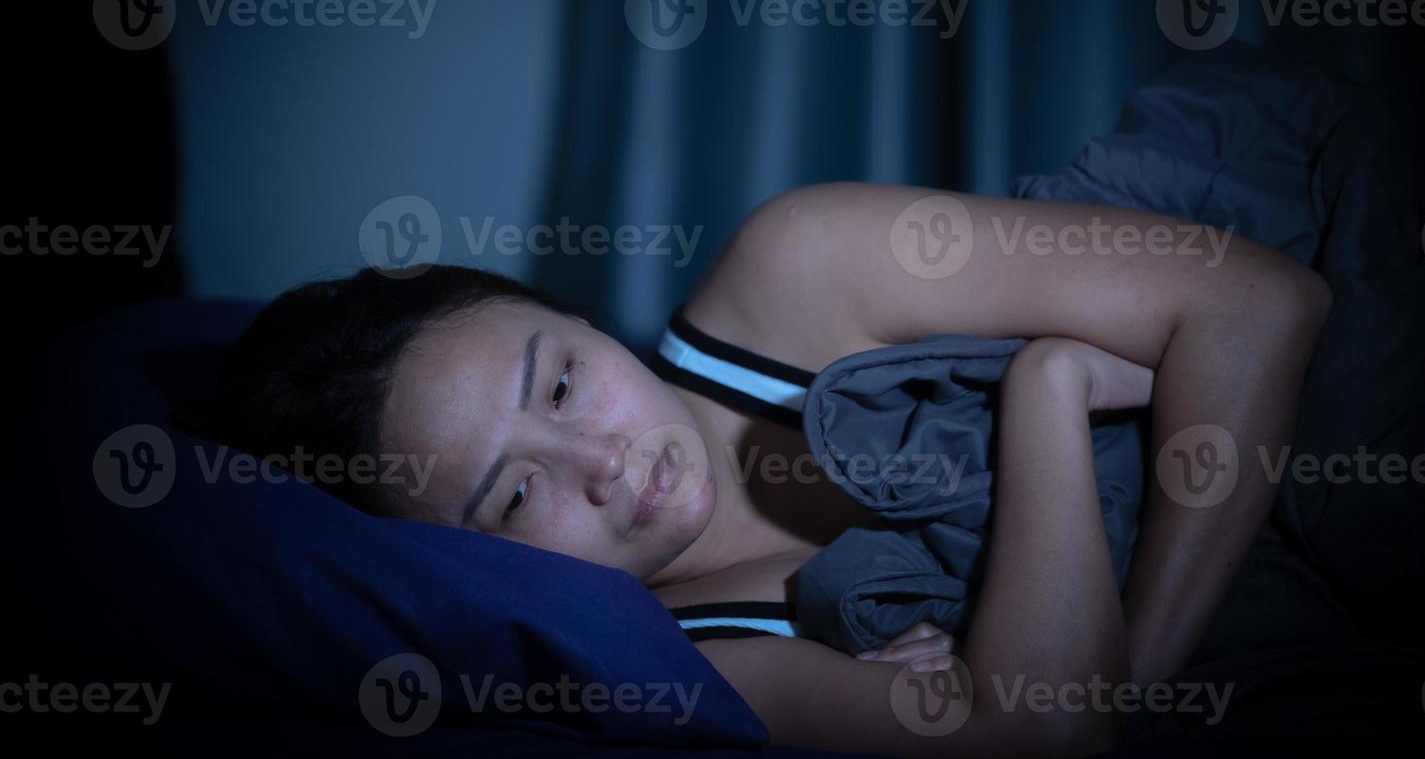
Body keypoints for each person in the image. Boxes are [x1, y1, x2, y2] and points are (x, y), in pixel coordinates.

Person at [213, 182, 1330, 758]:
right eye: (514, 493)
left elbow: (1264, 299)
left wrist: (1121, 663)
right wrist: (1043, 390)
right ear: (469, 564)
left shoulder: (796, 264)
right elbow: (1039, 732)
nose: (604, 463)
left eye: (559, 385)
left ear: (584, 320)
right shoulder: (702, 665)